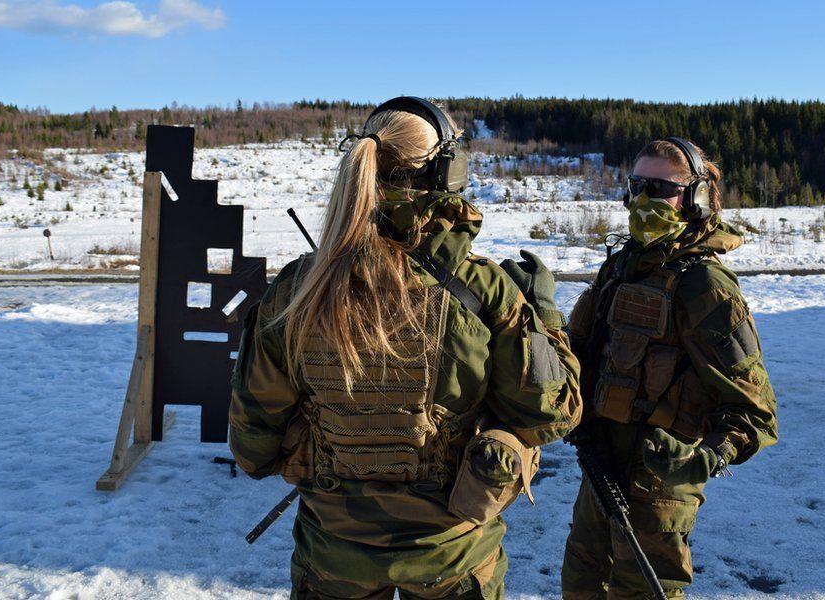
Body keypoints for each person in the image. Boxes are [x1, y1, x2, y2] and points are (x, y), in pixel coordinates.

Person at [228, 96, 582, 599]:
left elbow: (252, 450)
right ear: (446, 173)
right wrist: (544, 315)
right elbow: (552, 411)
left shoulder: (296, 290)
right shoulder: (482, 290)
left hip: (333, 556)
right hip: (454, 555)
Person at [561, 137, 778, 599]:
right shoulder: (623, 266)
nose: (643, 199)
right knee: (580, 586)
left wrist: (707, 458)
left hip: (659, 485)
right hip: (598, 462)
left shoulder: (706, 286)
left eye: (660, 187)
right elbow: (582, 352)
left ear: (696, 198)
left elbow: (755, 412)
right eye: (636, 185)